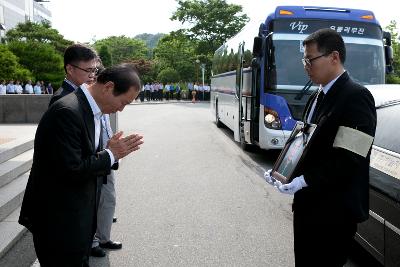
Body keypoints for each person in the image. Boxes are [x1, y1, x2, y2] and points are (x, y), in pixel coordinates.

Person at [264, 28, 377, 266]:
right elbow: (305, 143)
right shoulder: (317, 96)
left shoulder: (356, 96)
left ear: (334, 57)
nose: (305, 65)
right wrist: (283, 171)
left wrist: (304, 180)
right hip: (307, 207)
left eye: (310, 59)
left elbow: (349, 158)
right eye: (303, 59)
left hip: (334, 213)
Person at [19, 63, 144, 267]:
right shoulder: (67, 111)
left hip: (76, 220)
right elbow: (72, 169)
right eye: (123, 102)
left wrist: (108, 151)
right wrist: (111, 154)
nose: (121, 108)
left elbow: (83, 155)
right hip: (59, 223)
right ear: (108, 87)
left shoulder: (90, 108)